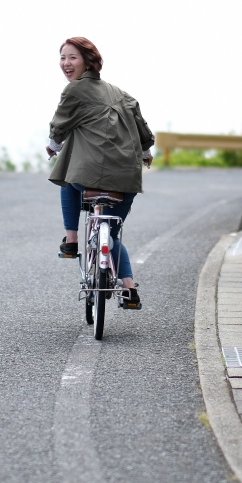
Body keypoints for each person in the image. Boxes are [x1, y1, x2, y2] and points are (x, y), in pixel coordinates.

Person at [46, 37, 153, 309]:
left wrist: (53, 145)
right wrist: (144, 152)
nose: (66, 64)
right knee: (112, 233)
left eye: (72, 57)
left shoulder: (74, 91)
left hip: (88, 178)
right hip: (127, 178)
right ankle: (129, 289)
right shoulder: (121, 94)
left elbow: (60, 125)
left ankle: (71, 240)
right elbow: (142, 130)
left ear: (87, 61)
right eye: (63, 58)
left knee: (67, 175)